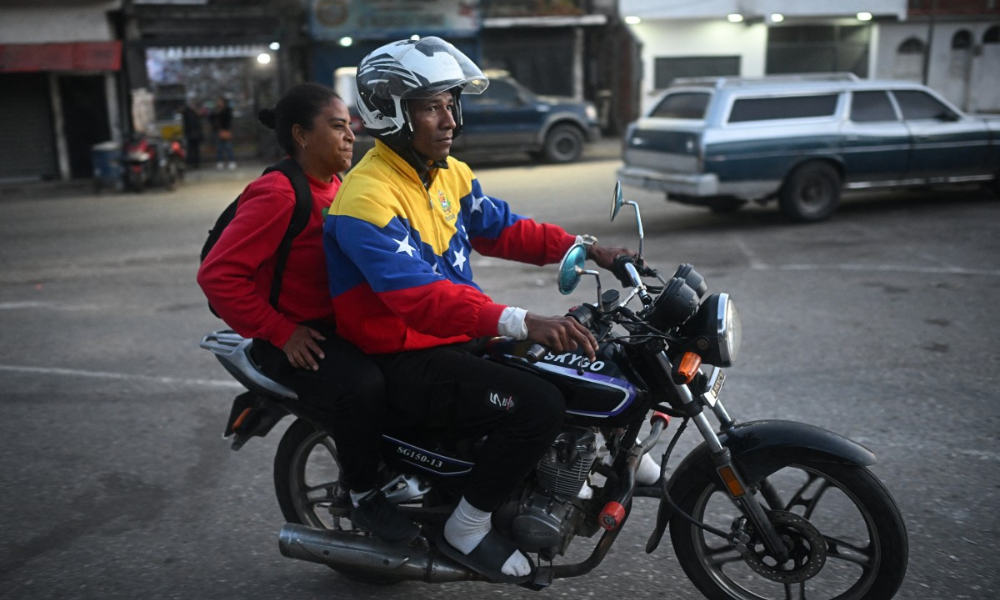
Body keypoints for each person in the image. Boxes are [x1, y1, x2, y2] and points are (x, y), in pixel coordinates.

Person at [323, 37, 640, 582]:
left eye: (451, 104)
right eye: (431, 106)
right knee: (538, 404)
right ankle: (466, 527)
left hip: (452, 336)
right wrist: (524, 319)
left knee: (576, 371)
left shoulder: (446, 172)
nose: (449, 120)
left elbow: (506, 229)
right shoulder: (365, 198)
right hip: (404, 354)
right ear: (391, 115)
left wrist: (587, 249)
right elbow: (416, 299)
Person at [198, 83, 418, 544]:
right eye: (337, 127)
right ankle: (362, 494)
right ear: (301, 135)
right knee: (364, 386)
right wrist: (282, 332)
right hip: (295, 339)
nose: (350, 136)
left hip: (338, 325)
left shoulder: (338, 186)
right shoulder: (278, 194)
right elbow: (218, 276)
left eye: (350, 127)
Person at [209, 96, 236, 170]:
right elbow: (211, 118)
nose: (219, 103)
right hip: (217, 131)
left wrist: (227, 130)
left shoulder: (227, 110)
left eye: (221, 102)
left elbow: (228, 119)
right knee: (219, 148)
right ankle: (219, 162)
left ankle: (231, 161)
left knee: (228, 147)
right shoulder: (215, 111)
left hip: (226, 130)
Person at [181, 98, 203, 169]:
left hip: (196, 133)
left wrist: (195, 110)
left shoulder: (196, 111)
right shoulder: (187, 111)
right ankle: (190, 162)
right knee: (190, 148)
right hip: (189, 133)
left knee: (196, 149)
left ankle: (196, 163)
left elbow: (200, 115)